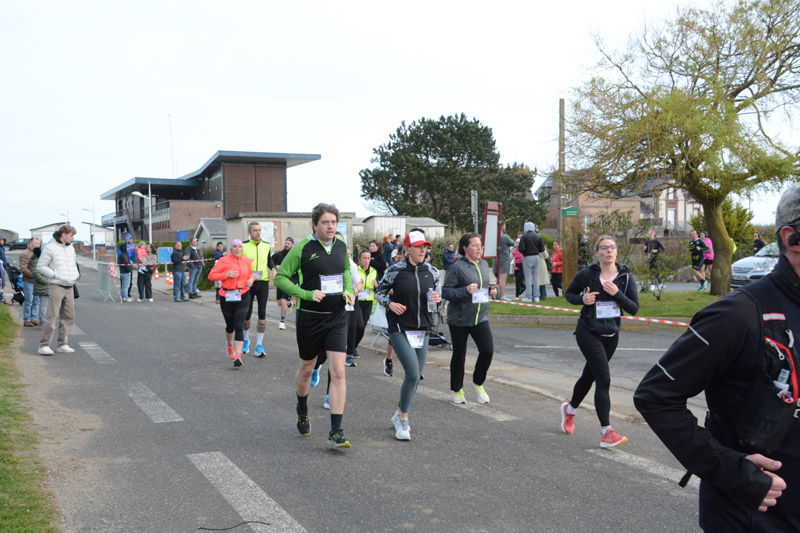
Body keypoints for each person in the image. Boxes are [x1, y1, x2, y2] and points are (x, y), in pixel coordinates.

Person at [634, 183, 800, 531]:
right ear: (792, 238)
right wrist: (730, 470)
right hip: (752, 518)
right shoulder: (737, 315)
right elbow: (655, 396)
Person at [274, 203, 354, 448]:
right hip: (310, 317)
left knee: (338, 372)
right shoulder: (302, 249)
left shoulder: (340, 246)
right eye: (326, 222)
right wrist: (306, 294)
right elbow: (280, 278)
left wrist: (349, 290)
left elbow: (346, 270)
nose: (331, 226)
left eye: (334, 222)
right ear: (315, 225)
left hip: (337, 316)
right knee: (307, 369)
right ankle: (302, 407)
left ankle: (335, 431)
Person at [561, 235, 639, 448]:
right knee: (603, 379)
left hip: (611, 335)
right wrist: (582, 299)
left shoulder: (625, 277)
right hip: (588, 331)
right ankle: (607, 432)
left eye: (612, 247)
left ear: (616, 251)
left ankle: (570, 409)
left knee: (590, 376)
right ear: (597, 253)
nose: (609, 251)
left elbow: (634, 308)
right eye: (604, 248)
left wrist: (617, 294)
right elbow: (569, 294)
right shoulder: (587, 274)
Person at [375, 229, 441, 440]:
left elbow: (438, 300)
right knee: (412, 373)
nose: (423, 250)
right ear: (408, 249)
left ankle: (398, 412)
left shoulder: (433, 272)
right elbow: (379, 293)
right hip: (399, 327)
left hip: (422, 329)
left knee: (416, 376)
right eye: (419, 247)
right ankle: (403, 419)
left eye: (425, 247)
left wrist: (438, 300)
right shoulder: (395, 270)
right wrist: (390, 304)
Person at [443, 233, 496, 405]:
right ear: (465, 248)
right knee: (459, 355)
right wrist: (464, 290)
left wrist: (491, 291)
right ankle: (456, 389)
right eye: (475, 245)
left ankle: (477, 382)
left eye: (480, 245)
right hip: (459, 319)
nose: (479, 249)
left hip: (480, 317)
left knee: (487, 351)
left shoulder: (484, 264)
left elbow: (483, 286)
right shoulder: (456, 267)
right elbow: (446, 292)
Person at [207, 239, 255, 367]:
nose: (238, 249)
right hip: (227, 295)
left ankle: (238, 356)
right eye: (235, 247)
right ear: (231, 248)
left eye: (240, 247)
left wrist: (251, 280)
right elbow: (211, 276)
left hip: (243, 294)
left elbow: (251, 275)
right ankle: (229, 345)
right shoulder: (224, 260)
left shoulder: (247, 261)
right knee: (230, 326)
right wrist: (226, 274)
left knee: (239, 325)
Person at [37, 225, 80, 355]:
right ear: (63, 235)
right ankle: (44, 345)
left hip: (70, 285)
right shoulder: (50, 247)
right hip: (56, 285)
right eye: (71, 235)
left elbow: (74, 263)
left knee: (69, 316)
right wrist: (54, 275)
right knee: (52, 316)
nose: (73, 238)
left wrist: (76, 274)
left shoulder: (71, 248)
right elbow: (41, 266)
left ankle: (62, 344)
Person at [242, 222, 276, 357]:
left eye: (260, 230)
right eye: (255, 230)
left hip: (263, 282)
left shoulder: (266, 245)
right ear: (249, 233)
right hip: (248, 283)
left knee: (262, 313)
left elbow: (269, 260)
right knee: (247, 314)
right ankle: (246, 340)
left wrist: (273, 269)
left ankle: (259, 345)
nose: (258, 232)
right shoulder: (243, 246)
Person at [352, 248, 378, 362]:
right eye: (364, 258)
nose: (367, 261)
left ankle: (353, 347)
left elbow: (377, 287)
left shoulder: (374, 271)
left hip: (368, 301)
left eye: (368, 258)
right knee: (357, 325)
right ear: (359, 259)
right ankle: (351, 348)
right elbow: (351, 284)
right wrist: (358, 284)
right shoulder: (355, 270)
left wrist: (376, 286)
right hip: (357, 300)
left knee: (362, 327)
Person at [272, 237, 297, 330]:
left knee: (283, 301)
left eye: (289, 244)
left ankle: (282, 322)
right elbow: (270, 261)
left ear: (292, 245)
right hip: (281, 280)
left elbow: (299, 267)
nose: (286, 245)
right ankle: (290, 304)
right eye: (286, 243)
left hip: (291, 280)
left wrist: (297, 281)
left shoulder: (295, 255)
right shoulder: (279, 254)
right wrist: (275, 267)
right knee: (280, 303)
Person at [518, 222, 544, 302]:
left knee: (528, 277)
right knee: (536, 277)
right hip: (536, 257)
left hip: (527, 257)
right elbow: (542, 249)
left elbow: (521, 249)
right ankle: (536, 297)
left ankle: (528, 297)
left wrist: (525, 252)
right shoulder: (538, 236)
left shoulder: (524, 237)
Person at [19, 237, 41, 326]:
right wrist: (34, 275)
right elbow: (23, 268)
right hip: (28, 281)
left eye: (39, 243)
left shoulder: (38, 253)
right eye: (36, 243)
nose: (38, 245)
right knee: (29, 301)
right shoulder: (25, 254)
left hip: (37, 281)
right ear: (31, 244)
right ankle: (26, 319)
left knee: (36, 301)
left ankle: (33, 318)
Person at [496, 221, 516, 300]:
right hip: (504, 259)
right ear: (502, 226)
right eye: (505, 225)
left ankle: (496, 294)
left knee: (497, 278)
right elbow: (513, 243)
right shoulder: (505, 237)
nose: (505, 227)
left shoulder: (494, 236)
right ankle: (502, 295)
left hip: (495, 259)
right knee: (503, 278)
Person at [31, 246, 50, 330]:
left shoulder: (44, 259)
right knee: (43, 305)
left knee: (48, 306)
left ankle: (47, 322)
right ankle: (42, 322)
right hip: (43, 285)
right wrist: (47, 282)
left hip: (48, 285)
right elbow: (36, 274)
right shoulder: (37, 260)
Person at [125, 233, 136, 299]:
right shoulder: (123, 245)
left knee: (130, 280)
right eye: (129, 238)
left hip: (130, 264)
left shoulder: (133, 246)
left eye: (131, 238)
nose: (130, 239)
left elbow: (134, 255)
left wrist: (132, 261)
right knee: (125, 280)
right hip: (124, 265)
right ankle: (124, 294)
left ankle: (128, 293)